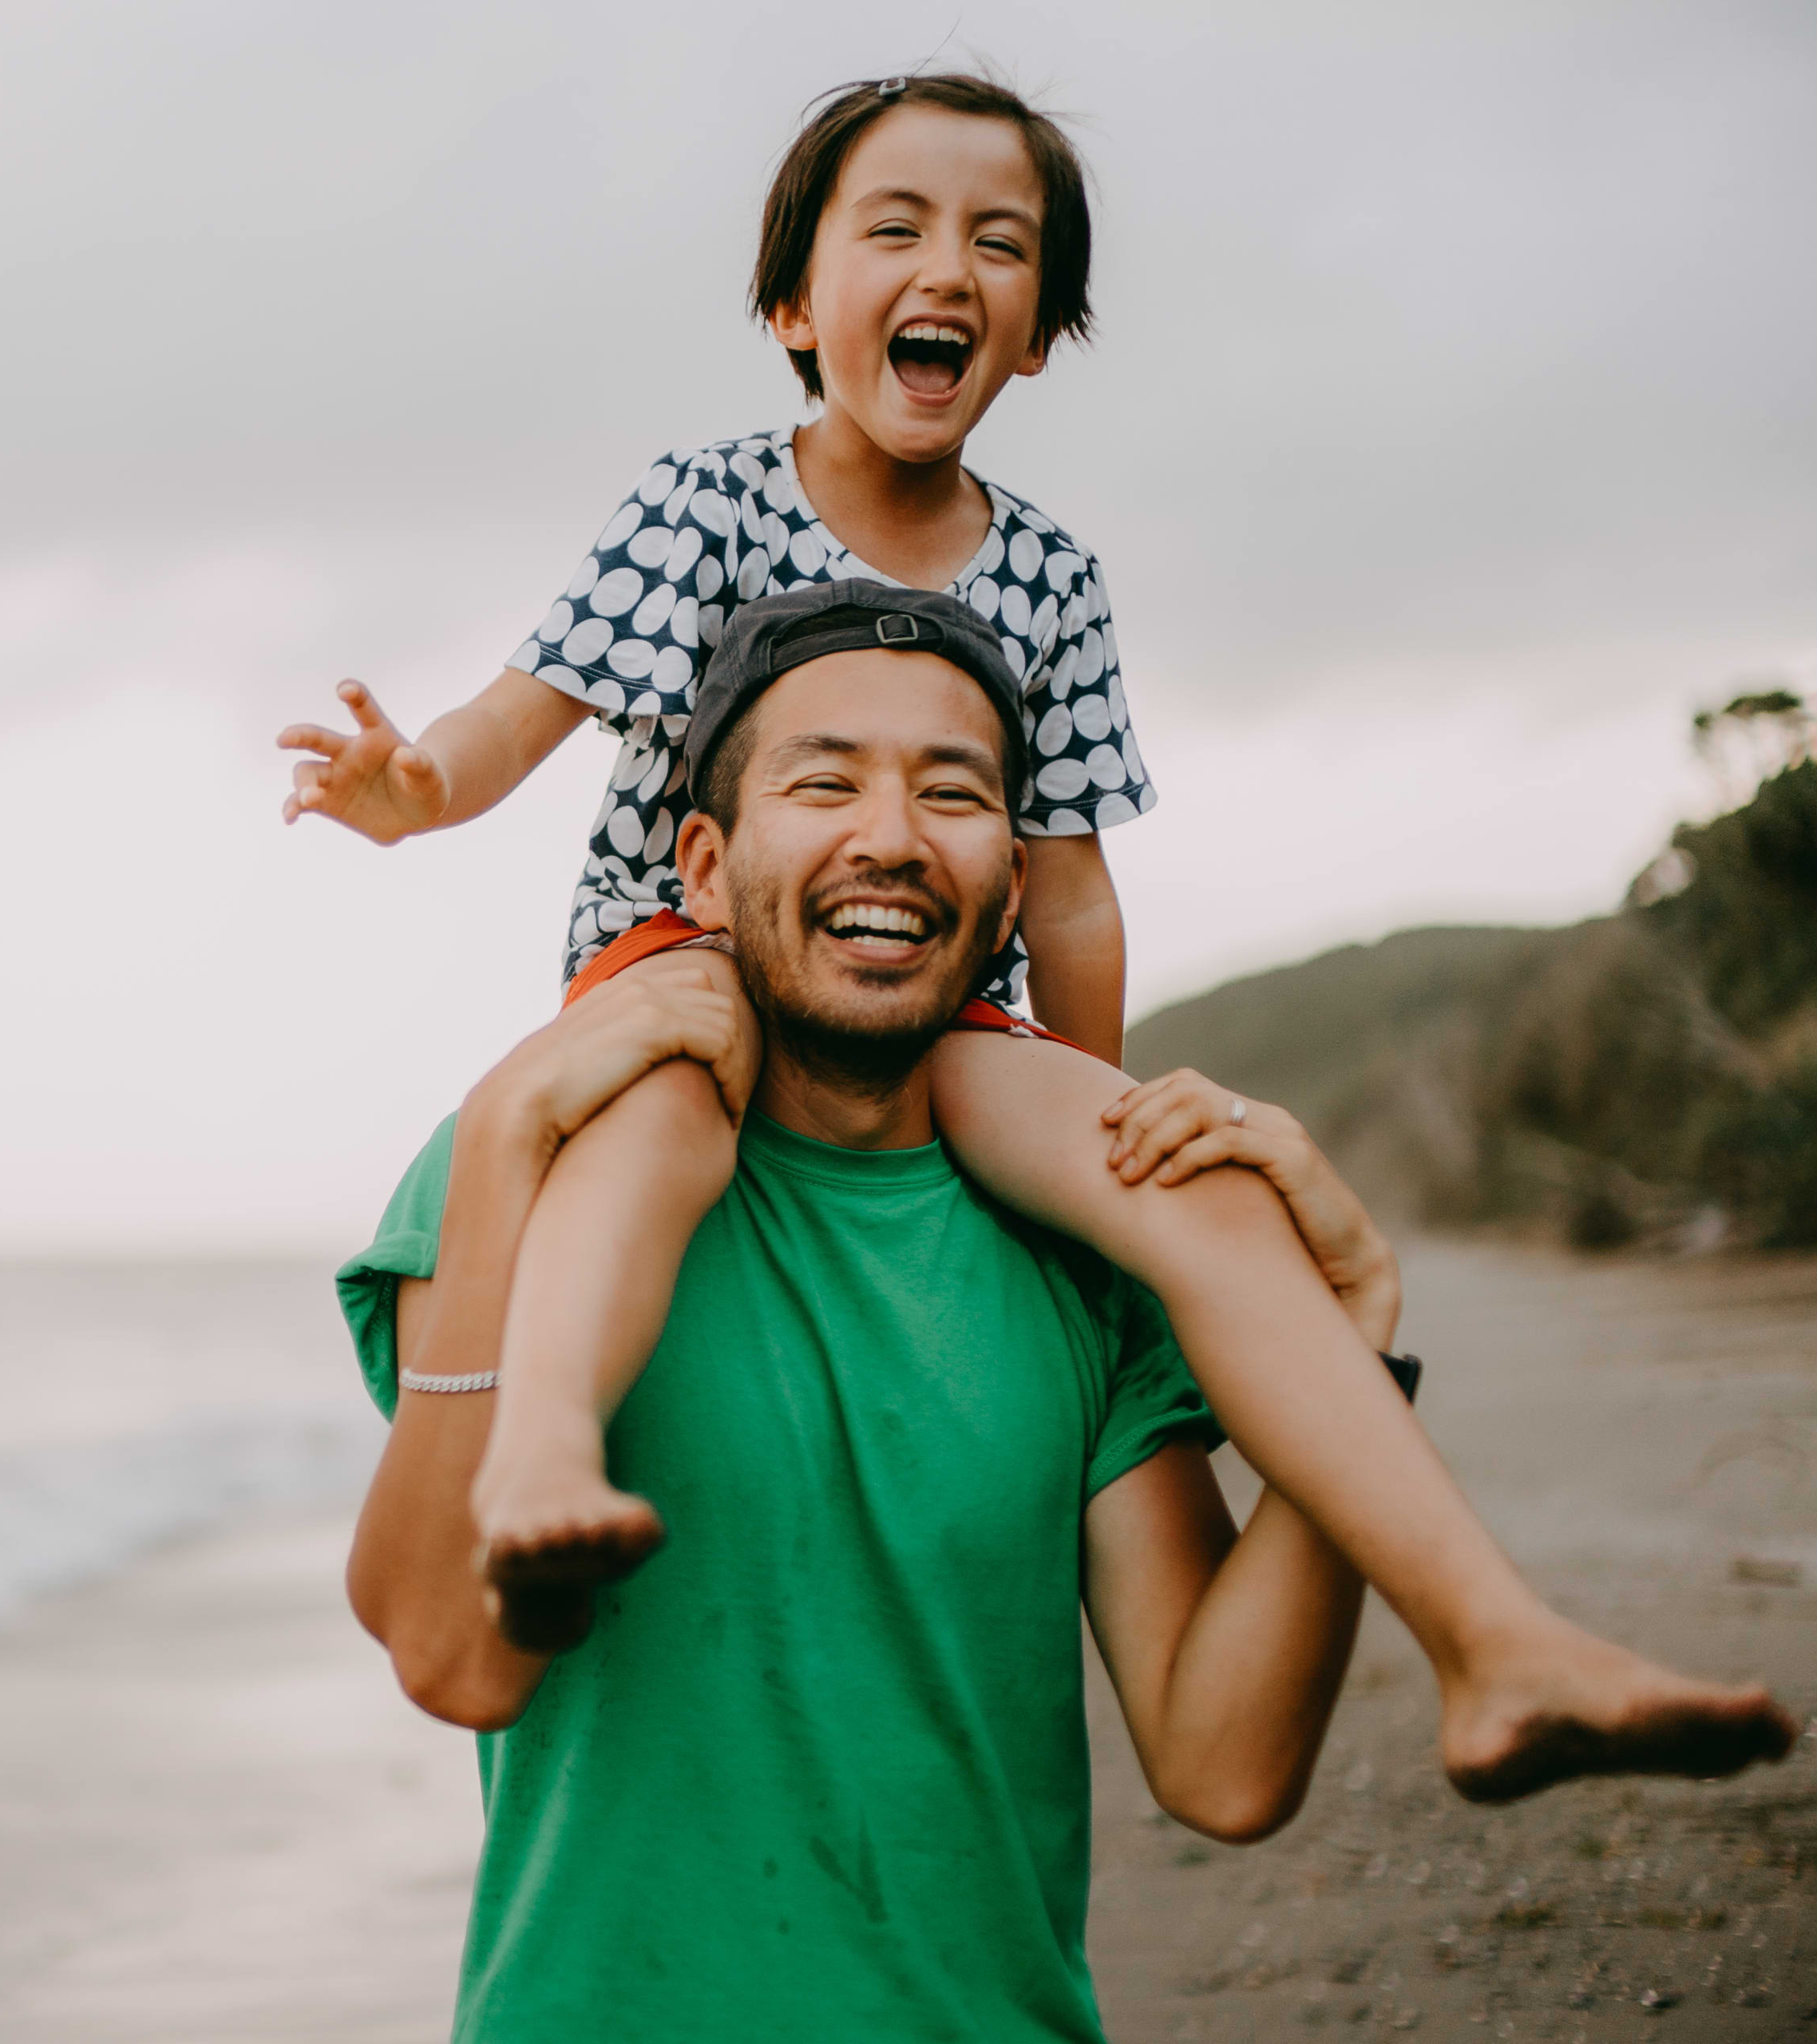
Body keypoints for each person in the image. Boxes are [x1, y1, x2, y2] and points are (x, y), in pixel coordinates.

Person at [285, 70, 1792, 1804]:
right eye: (897, 228)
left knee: (1193, 1190)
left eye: (999, 243)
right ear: (794, 303)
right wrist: (416, 789)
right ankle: (543, 1445)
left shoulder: (1053, 576)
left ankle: (1496, 1637)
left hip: (951, 1006)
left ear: (1036, 336)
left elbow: (1063, 886)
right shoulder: (700, 498)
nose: (950, 264)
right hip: (679, 961)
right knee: (656, 1106)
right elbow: (518, 709)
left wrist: (1104, 1121)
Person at [335, 604, 1794, 2038]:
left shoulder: (1089, 1250)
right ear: (703, 870)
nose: (893, 837)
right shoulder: (525, 1172)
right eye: (825, 780)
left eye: (954, 793)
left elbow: (1225, 1763)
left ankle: (1506, 1646)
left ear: (1011, 889)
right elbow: (452, 1662)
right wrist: (507, 1135)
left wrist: (1354, 1333)